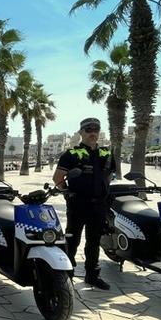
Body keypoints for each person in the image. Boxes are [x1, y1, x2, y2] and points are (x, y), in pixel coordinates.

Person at [53, 117, 115, 290]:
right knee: (72, 240)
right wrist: (68, 194)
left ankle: (92, 276)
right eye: (88, 130)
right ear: (81, 132)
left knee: (94, 242)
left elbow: (109, 177)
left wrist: (101, 190)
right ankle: (67, 275)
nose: (92, 133)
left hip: (99, 206)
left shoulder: (106, 154)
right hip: (78, 205)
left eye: (96, 129)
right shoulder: (72, 154)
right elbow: (58, 178)